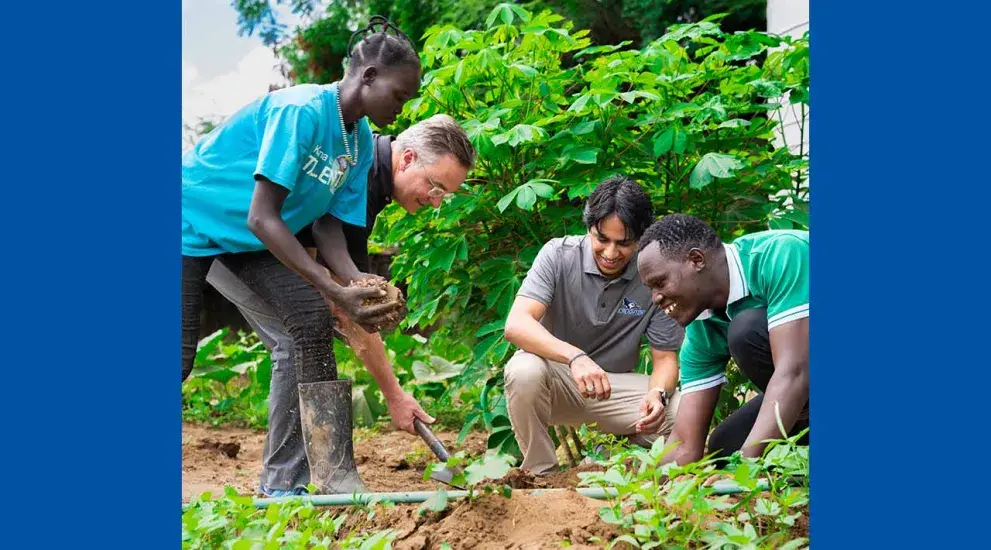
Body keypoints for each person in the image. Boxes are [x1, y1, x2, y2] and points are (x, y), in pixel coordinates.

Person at [181, 17, 422, 495]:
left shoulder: (356, 141)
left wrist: (358, 283)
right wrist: (331, 285)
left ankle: (298, 482)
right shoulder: (302, 111)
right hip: (189, 218)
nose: (402, 108)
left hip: (241, 239)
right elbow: (263, 217)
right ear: (368, 76)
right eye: (399, 95)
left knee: (310, 320)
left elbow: (328, 225)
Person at [205, 114, 477, 497]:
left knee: (308, 323)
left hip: (257, 243)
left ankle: (313, 477)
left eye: (445, 195)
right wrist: (395, 394)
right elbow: (346, 309)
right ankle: (284, 483)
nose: (435, 202)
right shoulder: (361, 171)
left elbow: (334, 280)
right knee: (298, 333)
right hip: (225, 234)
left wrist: (393, 392)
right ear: (408, 158)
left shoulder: (370, 180)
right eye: (435, 187)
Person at [502, 176, 685, 476]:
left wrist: (658, 395)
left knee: (682, 410)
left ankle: (620, 460)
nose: (611, 253)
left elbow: (665, 360)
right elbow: (517, 324)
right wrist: (575, 357)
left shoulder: (655, 276)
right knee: (523, 370)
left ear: (642, 238)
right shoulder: (557, 256)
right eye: (602, 239)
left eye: (624, 243)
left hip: (615, 391)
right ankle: (542, 473)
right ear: (588, 228)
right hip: (557, 382)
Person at [636, 214, 809, 465]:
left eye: (660, 283)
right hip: (804, 397)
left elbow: (794, 372)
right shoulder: (701, 326)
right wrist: (644, 487)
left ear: (696, 260)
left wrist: (746, 467)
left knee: (745, 330)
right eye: (650, 289)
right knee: (724, 448)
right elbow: (685, 444)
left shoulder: (782, 254)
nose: (656, 298)